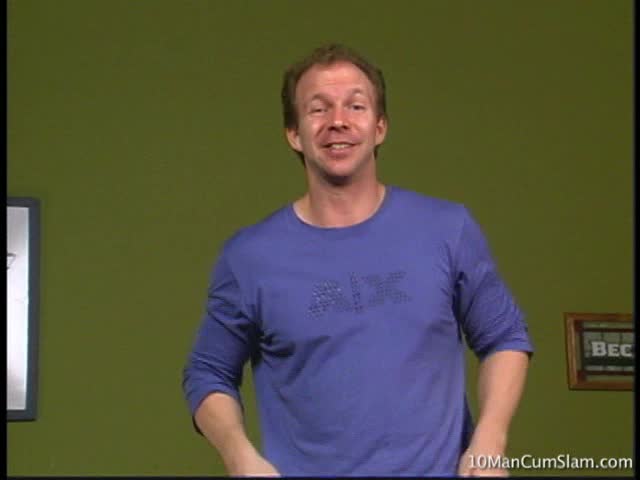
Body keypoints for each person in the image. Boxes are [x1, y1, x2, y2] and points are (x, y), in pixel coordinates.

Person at [182, 43, 533, 477]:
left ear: (380, 126)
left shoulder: (447, 229)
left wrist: (491, 438)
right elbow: (207, 373)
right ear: (294, 134)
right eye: (318, 109)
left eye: (356, 105)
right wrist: (239, 456)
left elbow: (505, 337)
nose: (338, 121)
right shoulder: (249, 257)